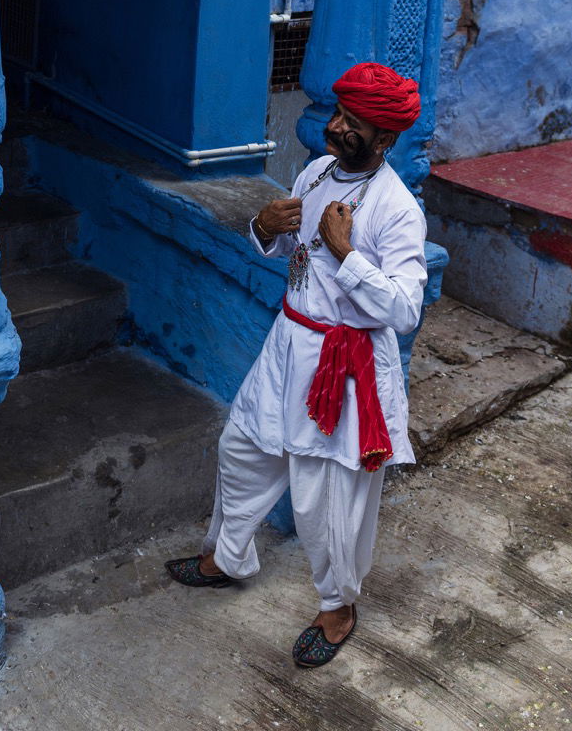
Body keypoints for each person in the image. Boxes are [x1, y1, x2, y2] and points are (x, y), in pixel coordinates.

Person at [165, 61, 427, 668]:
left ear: (385, 139)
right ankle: (226, 557)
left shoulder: (397, 210)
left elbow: (406, 308)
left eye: (351, 123)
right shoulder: (315, 172)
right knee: (243, 448)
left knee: (324, 501)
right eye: (337, 114)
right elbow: (293, 247)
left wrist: (348, 254)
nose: (334, 127)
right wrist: (264, 226)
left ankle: (338, 608)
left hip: (345, 364)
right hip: (288, 343)